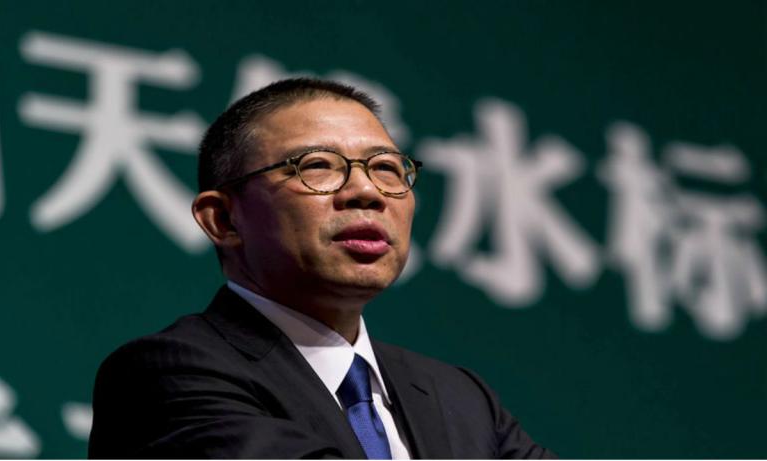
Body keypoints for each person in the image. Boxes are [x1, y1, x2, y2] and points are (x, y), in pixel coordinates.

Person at [88, 78, 555, 459]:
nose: (366, 192)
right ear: (224, 220)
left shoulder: (460, 396)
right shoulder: (167, 376)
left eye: (386, 168)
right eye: (317, 166)